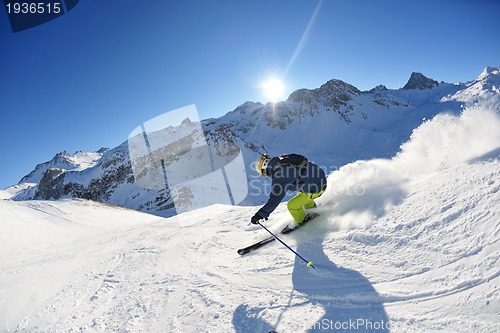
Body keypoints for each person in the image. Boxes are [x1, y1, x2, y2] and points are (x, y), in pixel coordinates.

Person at [251, 153, 327, 226]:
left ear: (265, 169)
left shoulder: (280, 175)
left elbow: (274, 200)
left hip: (316, 188)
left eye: (263, 173)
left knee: (292, 206)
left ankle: (303, 221)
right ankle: (312, 209)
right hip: (319, 177)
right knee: (301, 196)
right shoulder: (283, 159)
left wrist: (260, 215)